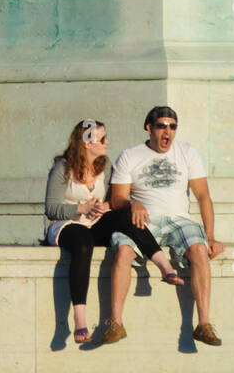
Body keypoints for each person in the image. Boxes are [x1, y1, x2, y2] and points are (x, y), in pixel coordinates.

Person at [44, 120, 183, 345]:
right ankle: (79, 319)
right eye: (102, 139)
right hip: (67, 226)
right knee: (83, 244)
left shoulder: (105, 166)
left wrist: (105, 206)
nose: (107, 142)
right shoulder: (62, 167)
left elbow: (111, 201)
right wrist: (81, 208)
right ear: (87, 143)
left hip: (94, 222)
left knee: (126, 215)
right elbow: (51, 209)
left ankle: (164, 266)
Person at [103, 107, 225, 346]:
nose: (167, 131)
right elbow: (117, 199)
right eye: (161, 126)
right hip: (143, 220)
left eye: (172, 126)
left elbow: (202, 196)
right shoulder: (130, 155)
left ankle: (203, 324)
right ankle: (115, 323)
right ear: (149, 128)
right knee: (123, 251)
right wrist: (133, 203)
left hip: (179, 220)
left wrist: (210, 236)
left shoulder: (187, 152)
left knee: (200, 249)